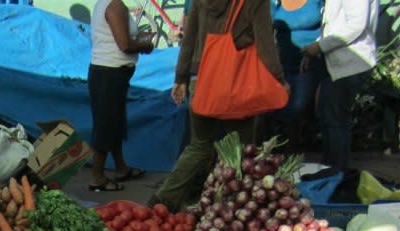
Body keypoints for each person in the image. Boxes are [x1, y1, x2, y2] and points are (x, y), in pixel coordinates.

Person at [150, 0, 287, 212]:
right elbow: (265, 44)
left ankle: (163, 200)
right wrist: (279, 79)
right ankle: (232, 207)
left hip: (201, 79)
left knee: (199, 146)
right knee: (240, 149)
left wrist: (181, 77)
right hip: (238, 83)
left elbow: (189, 37)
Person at [301, 0, 379, 170]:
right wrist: (315, 49)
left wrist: (320, 46)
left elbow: (356, 25)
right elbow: (332, 24)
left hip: (351, 64)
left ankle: (335, 173)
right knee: (328, 117)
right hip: (338, 63)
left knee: (335, 120)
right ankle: (330, 170)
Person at [87, 0, 154, 192]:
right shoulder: (114, 6)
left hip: (111, 72)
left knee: (114, 121)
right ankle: (97, 177)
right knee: (106, 124)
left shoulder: (107, 3)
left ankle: (121, 167)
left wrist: (138, 37)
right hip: (109, 72)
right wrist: (145, 45)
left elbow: (120, 36)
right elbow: (124, 45)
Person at [270, 0, 325, 149]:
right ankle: (291, 152)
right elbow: (266, 30)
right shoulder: (275, 3)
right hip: (282, 65)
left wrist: (318, 48)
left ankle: (301, 145)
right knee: (282, 110)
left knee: (298, 107)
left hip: (309, 62)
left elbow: (329, 24)